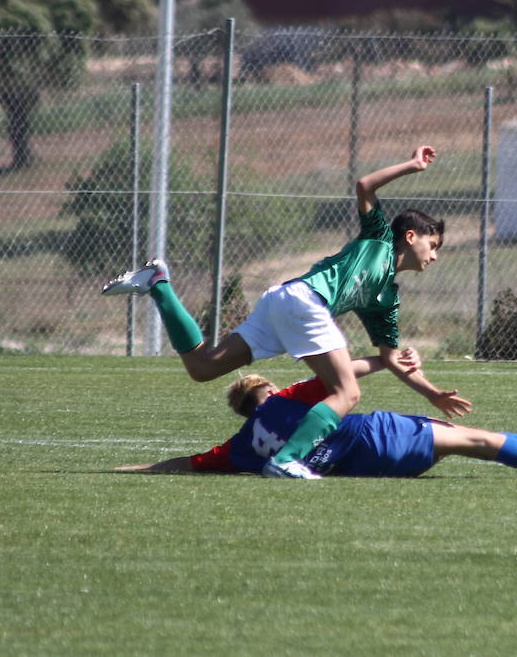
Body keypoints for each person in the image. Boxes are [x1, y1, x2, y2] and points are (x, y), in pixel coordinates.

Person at [102, 145, 471, 480]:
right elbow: (364, 185)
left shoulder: (386, 298)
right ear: (410, 237)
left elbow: (391, 358)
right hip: (303, 301)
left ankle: (158, 284)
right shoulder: (378, 238)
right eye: (433, 244)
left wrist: (432, 393)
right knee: (346, 393)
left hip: (281, 301)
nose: (434, 255)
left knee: (203, 367)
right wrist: (412, 165)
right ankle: (288, 460)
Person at [114, 361, 517, 482]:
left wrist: (135, 470)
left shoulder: (244, 445)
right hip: (378, 434)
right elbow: (345, 371)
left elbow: (187, 462)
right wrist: (388, 359)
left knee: (465, 441)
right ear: (263, 391)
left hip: (373, 462)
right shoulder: (287, 397)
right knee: (479, 439)